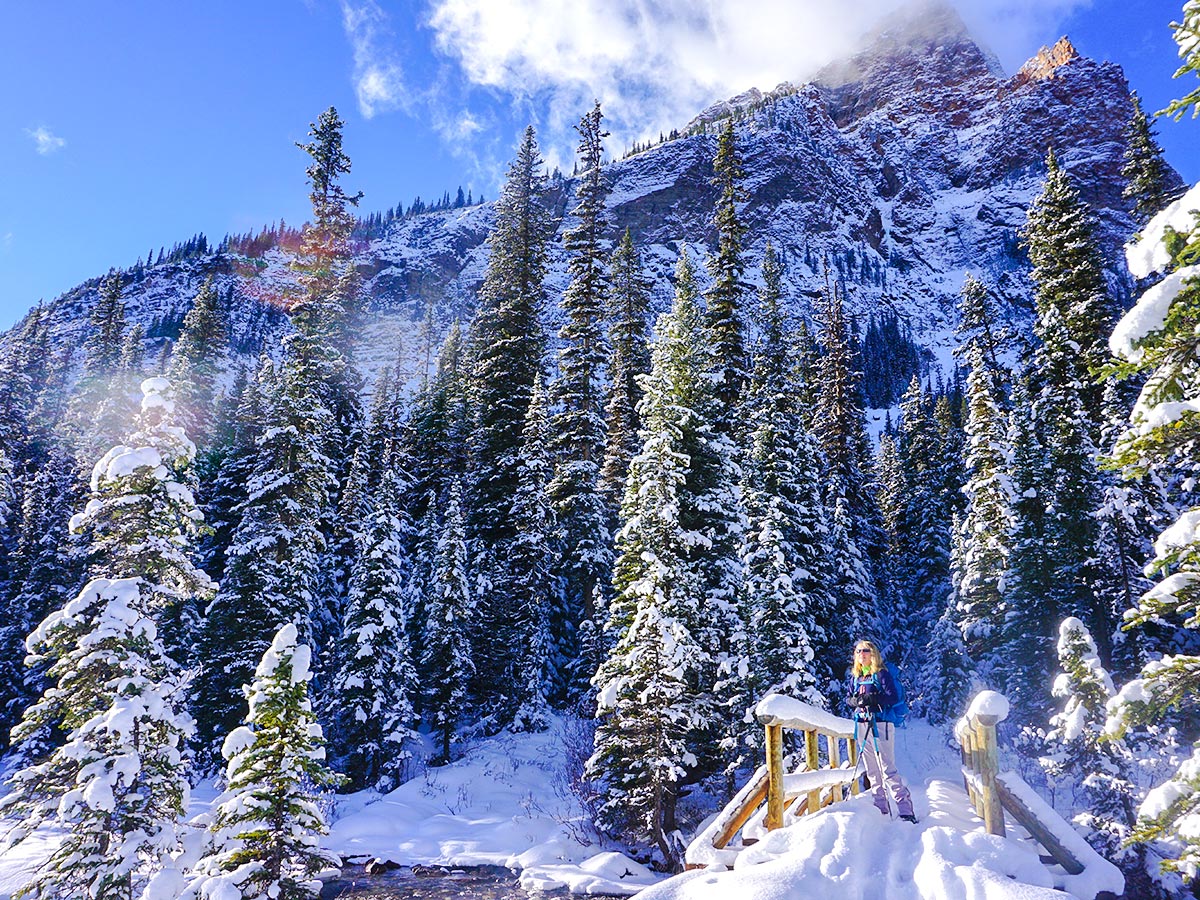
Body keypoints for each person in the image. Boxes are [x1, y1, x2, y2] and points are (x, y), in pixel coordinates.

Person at [846, 639, 917, 822]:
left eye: (866, 650)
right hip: (862, 723)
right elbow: (848, 698)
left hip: (881, 724)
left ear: (873, 653)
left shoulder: (881, 674)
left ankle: (905, 810)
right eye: (858, 651)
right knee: (872, 770)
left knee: (887, 769)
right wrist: (856, 701)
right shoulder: (856, 676)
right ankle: (881, 810)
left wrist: (872, 699)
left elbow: (892, 697)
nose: (862, 654)